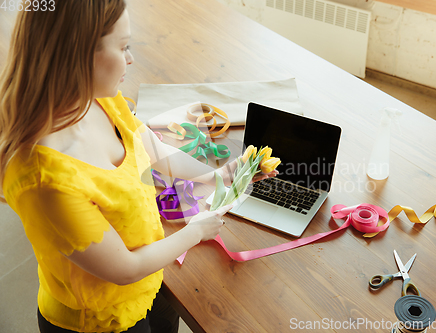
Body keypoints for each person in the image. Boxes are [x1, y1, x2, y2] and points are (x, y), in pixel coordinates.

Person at [0, 1, 277, 332]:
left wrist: (223, 175)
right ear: (77, 56)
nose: (131, 58)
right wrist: (196, 232)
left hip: (150, 280)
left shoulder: (99, 98)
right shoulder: (44, 180)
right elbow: (124, 269)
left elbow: (153, 151)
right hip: (102, 321)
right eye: (122, 46)